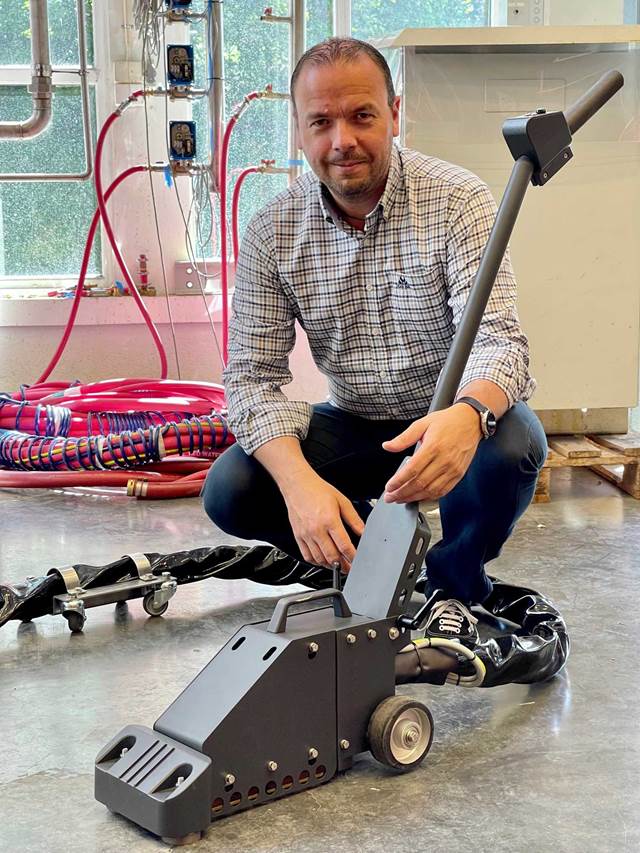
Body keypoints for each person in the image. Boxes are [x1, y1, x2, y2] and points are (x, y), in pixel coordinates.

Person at [203, 37, 547, 646]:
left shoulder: (457, 199)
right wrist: (300, 488)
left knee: (513, 442)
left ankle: (453, 589)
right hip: (357, 420)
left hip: (444, 418)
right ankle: (363, 563)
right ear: (300, 131)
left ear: (395, 112)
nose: (342, 141)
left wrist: (467, 416)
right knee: (233, 487)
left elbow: (502, 343)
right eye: (321, 122)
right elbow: (251, 379)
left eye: (362, 116)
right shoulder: (271, 230)